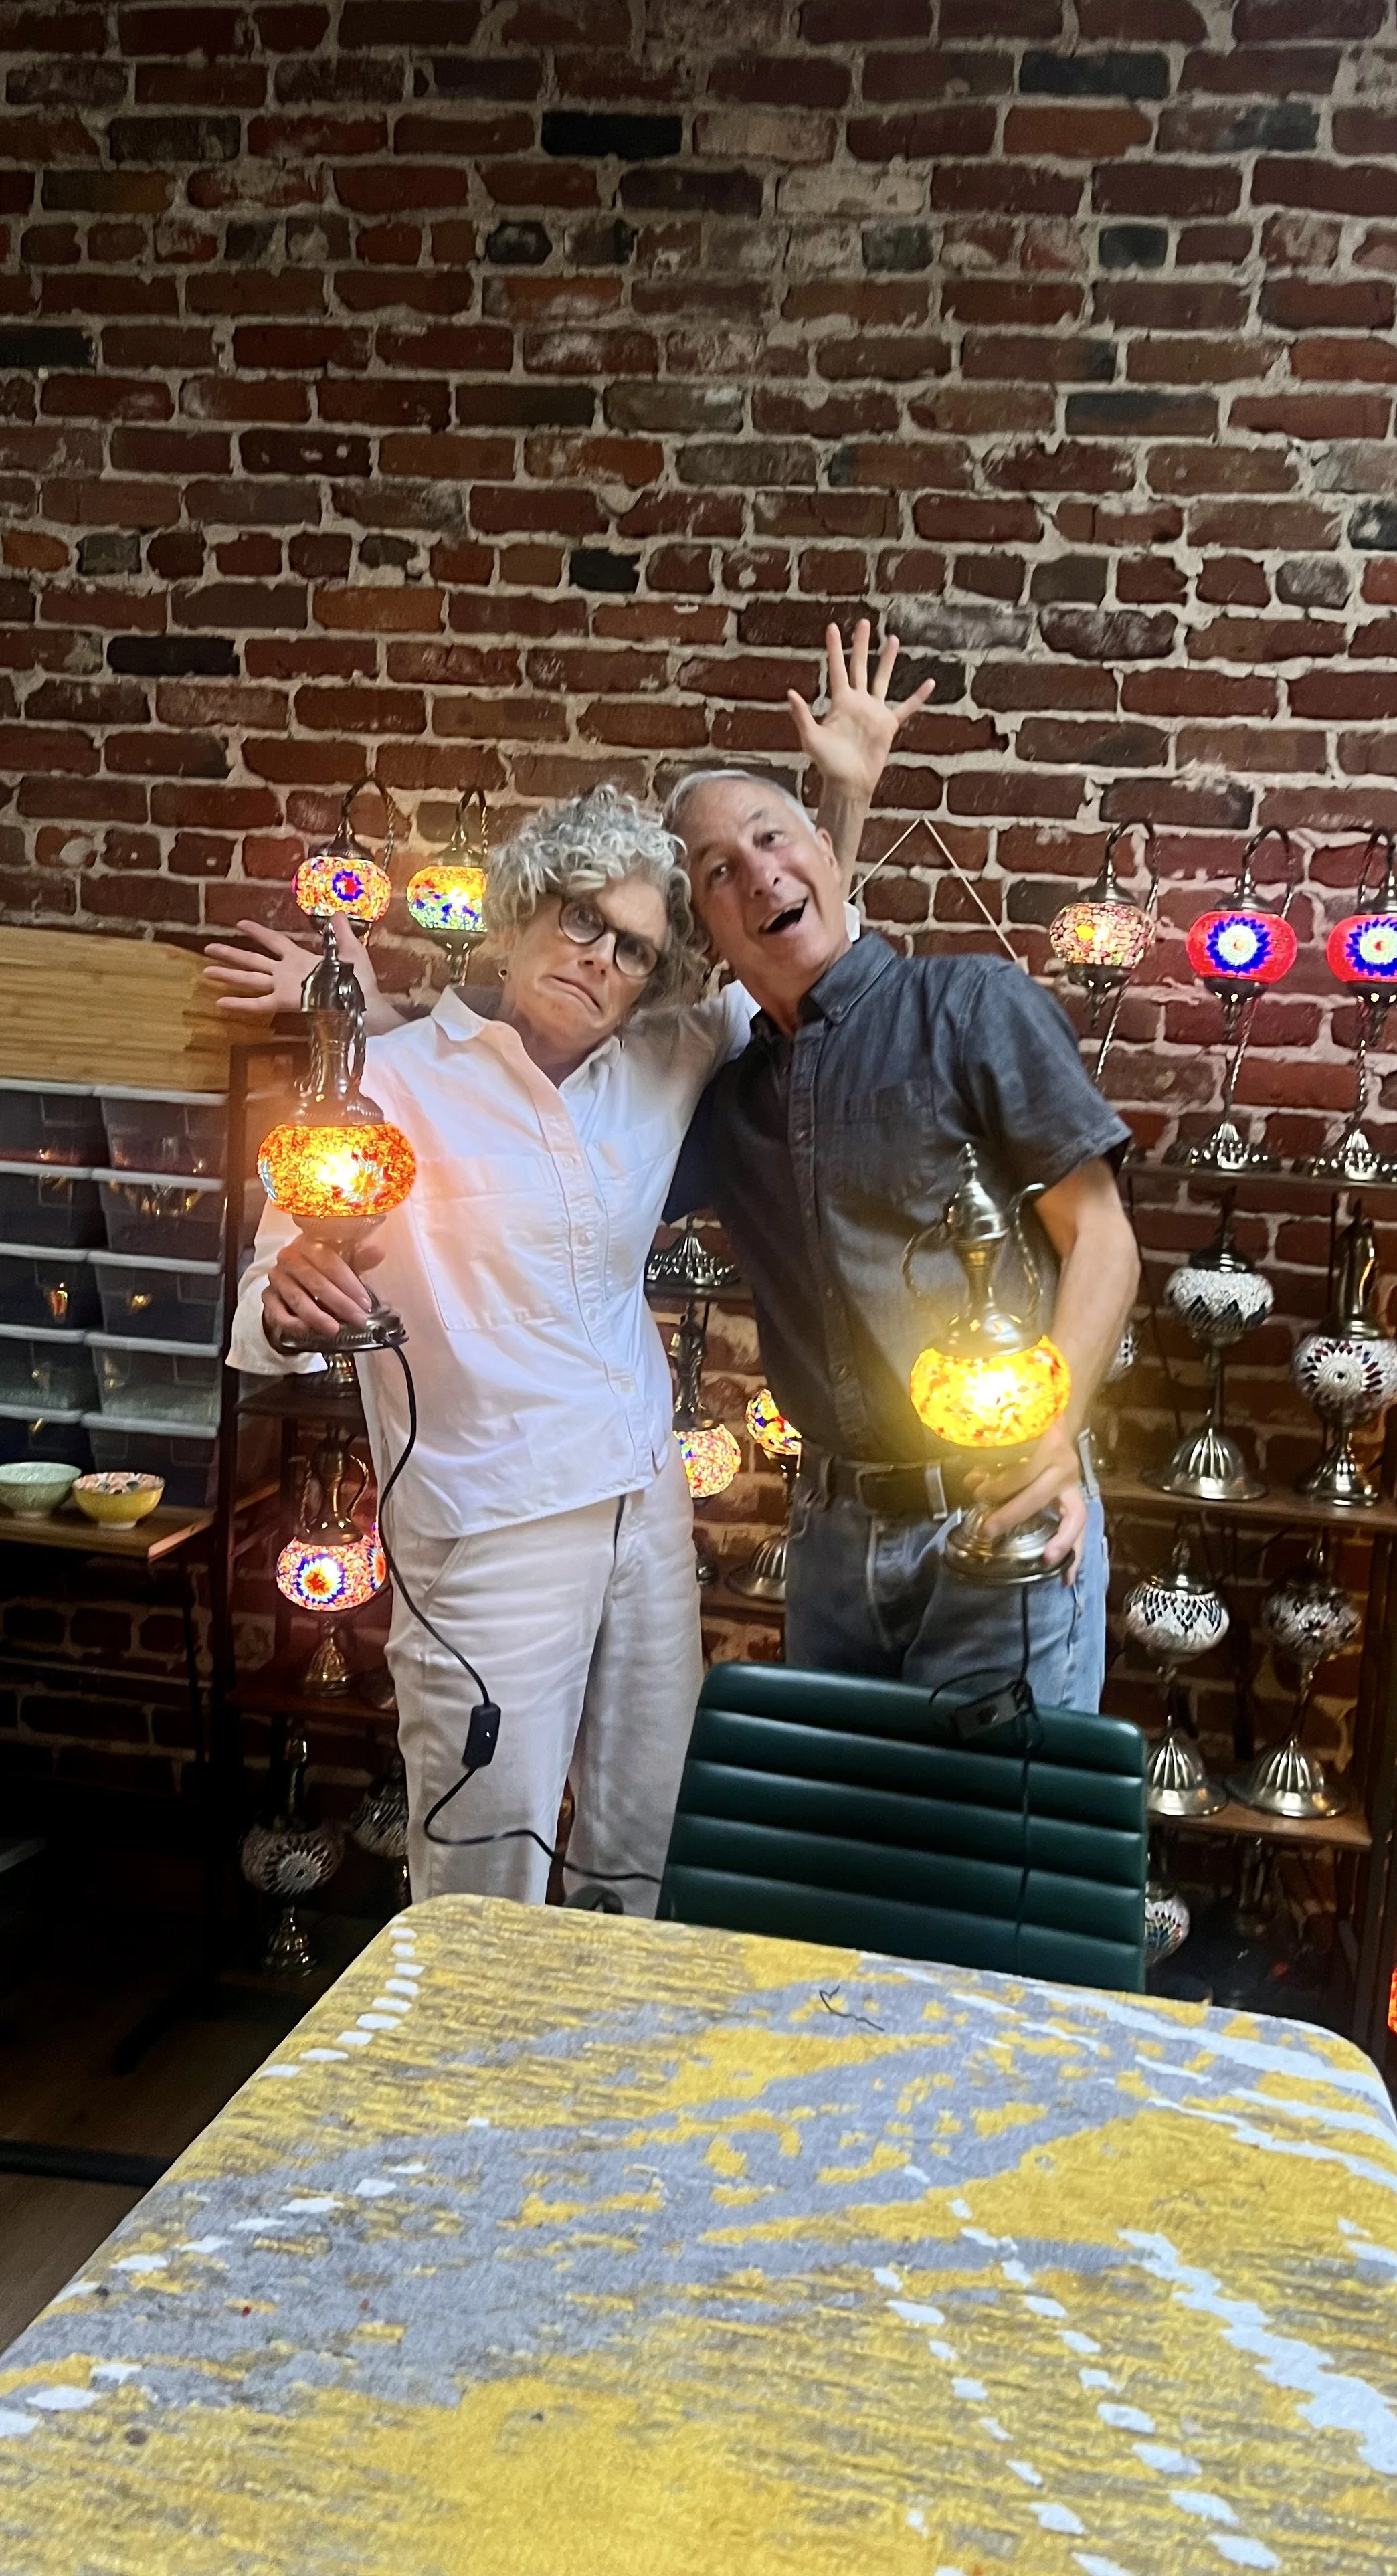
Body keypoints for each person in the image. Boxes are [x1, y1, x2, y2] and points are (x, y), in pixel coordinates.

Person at [221, 629, 935, 1912]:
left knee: (639, 1839)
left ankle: (603, 2100)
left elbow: (798, 934)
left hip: (643, 1505)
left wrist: (847, 790)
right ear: (518, 915)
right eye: (581, 925)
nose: (603, 962)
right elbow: (267, 1304)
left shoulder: (658, 1060)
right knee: (484, 1864)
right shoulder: (385, 1085)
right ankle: (464, 2109)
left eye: (636, 951)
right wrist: (288, 1303)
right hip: (485, 1527)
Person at [664, 767, 1140, 1714]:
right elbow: (565, 1141)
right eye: (719, 872)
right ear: (704, 933)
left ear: (826, 854)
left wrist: (1054, 1434)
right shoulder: (726, 1105)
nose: (758, 876)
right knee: (853, 1844)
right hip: (833, 1540)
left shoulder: (970, 1006)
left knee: (987, 1848)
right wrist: (398, 1032)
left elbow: (1103, 1239)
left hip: (998, 1503)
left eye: (770, 839)